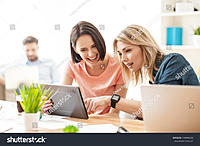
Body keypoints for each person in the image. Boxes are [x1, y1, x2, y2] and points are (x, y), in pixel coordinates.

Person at [84, 24, 200, 119]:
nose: (123, 59)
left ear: (144, 47)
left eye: (128, 50)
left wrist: (110, 100)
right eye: (120, 53)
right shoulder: (152, 73)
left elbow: (157, 111)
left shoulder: (173, 62)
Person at [42, 21, 127, 115]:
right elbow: (62, 100)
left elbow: (114, 114)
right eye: (83, 49)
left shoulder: (119, 65)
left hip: (106, 122)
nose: (91, 54)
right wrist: (50, 107)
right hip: (83, 119)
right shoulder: (72, 65)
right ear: (76, 50)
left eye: (94, 46)